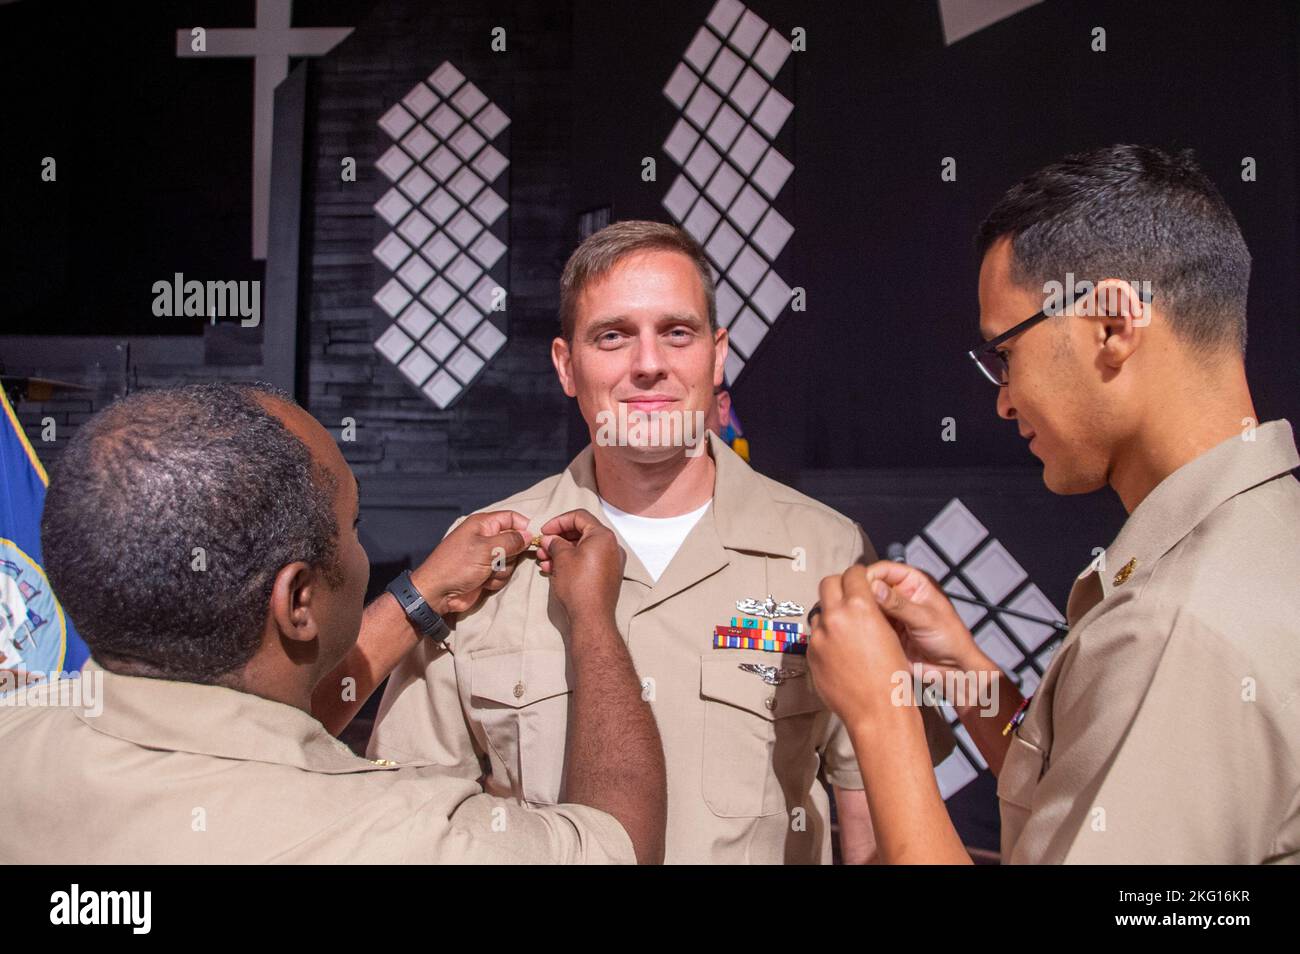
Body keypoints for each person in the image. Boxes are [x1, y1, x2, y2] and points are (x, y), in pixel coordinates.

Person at [368, 220, 953, 864]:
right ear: (567, 366)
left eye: (677, 332)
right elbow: (413, 807)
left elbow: (873, 801)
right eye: (613, 336)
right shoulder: (482, 555)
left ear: (718, 352)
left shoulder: (826, 550)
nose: (649, 365)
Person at [807, 144, 1300, 863]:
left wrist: (880, 715)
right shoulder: (1255, 541)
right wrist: (971, 679)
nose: (1003, 401)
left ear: (1111, 325)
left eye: (1005, 353)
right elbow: (1097, 812)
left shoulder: (1175, 629)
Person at [0, 382, 666, 864]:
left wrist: (422, 594)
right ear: (297, 601)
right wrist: (591, 624)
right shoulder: (404, 836)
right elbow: (618, 845)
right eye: (352, 525)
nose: (360, 547)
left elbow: (243, 726)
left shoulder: (17, 734)